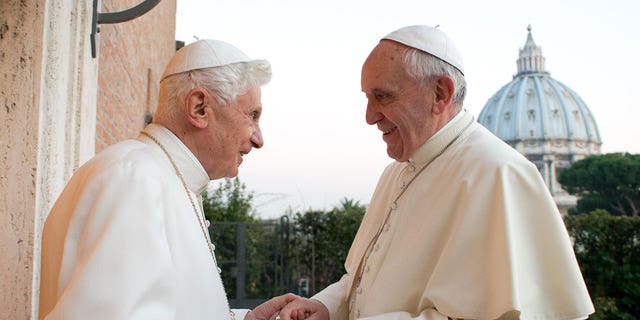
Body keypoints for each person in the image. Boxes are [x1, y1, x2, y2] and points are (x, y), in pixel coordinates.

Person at [277, 25, 595, 320]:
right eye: (367, 98)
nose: (369, 116)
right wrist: (326, 307)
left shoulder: (498, 174)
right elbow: (362, 281)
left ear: (440, 93)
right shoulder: (395, 173)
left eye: (382, 96)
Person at [39, 39, 297, 320]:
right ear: (199, 108)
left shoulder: (159, 175)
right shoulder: (136, 180)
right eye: (252, 115)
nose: (258, 139)